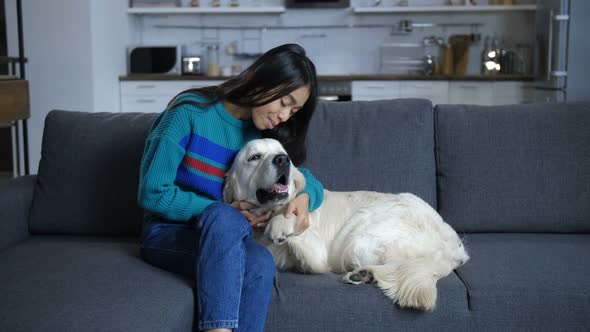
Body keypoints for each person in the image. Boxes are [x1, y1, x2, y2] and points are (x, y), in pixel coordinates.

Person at [138, 43, 324, 332]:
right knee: (223, 217)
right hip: (169, 234)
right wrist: (221, 211)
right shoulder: (189, 112)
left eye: (294, 110)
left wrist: (305, 196)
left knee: (260, 261)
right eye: (284, 102)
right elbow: (152, 192)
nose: (285, 116)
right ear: (263, 80)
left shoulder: (260, 136)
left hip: (229, 238)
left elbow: (307, 178)